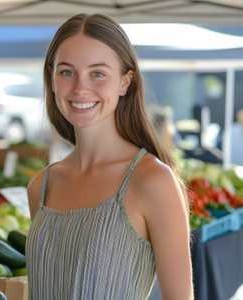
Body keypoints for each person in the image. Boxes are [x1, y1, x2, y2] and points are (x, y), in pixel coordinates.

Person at [25, 14, 193, 299]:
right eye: (67, 72)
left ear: (125, 83)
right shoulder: (41, 186)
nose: (80, 88)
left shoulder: (153, 182)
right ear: (51, 78)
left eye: (98, 73)